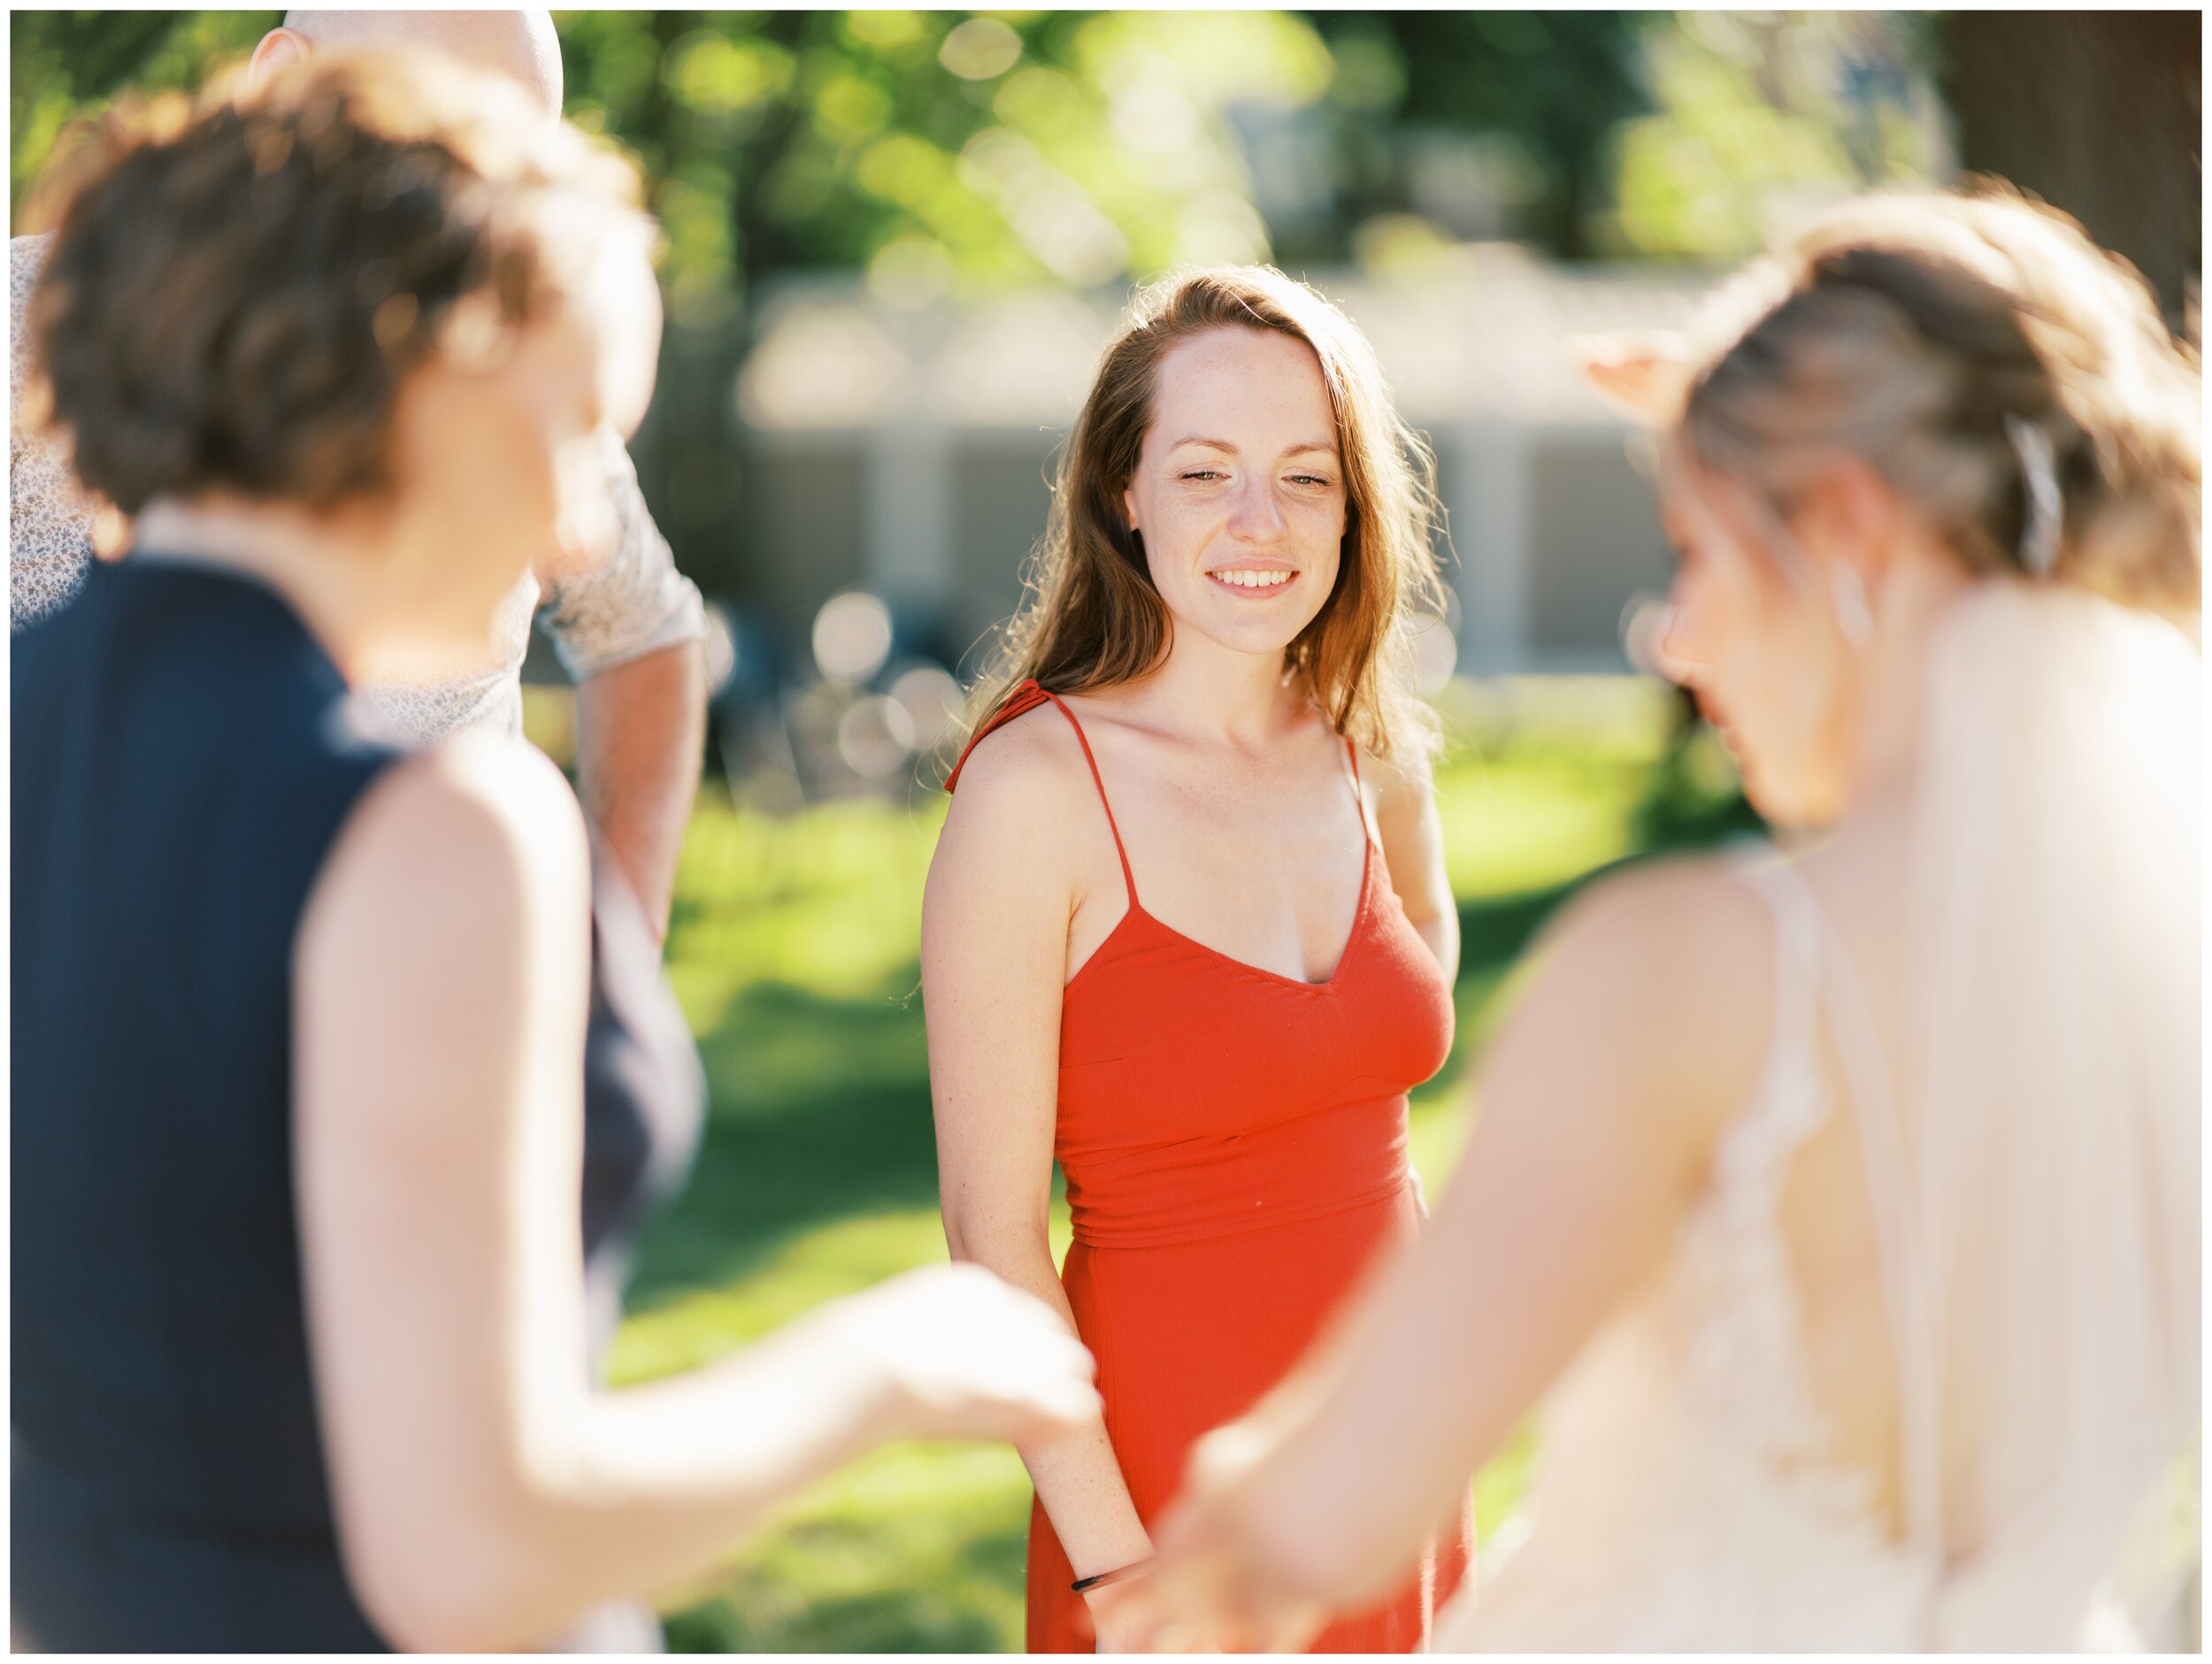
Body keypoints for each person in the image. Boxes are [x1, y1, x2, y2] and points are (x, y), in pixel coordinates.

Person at [12, 53, 1098, 1653]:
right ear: (430, 374)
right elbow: (475, 1554)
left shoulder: (40, 722)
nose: (584, 527)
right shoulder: (434, 820)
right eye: (584, 426)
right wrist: (891, 1365)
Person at [1118, 186, 2201, 1652]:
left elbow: (1321, 1518)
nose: (1679, 638)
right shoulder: (2158, 972)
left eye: (1696, 548)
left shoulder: (1689, 979)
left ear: (1853, 528)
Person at [924, 266, 1475, 1652]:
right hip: (1168, 1503)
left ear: (1357, 505)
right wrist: (1119, 1574)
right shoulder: (1033, 791)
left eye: (1305, 476)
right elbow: (993, 1240)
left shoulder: (1371, 744)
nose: (1258, 522)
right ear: (1124, 489)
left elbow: (1389, 1070)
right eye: (1206, 470)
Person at [8, 7, 706, 937]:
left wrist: (615, 953)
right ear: (281, 81)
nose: (479, 215)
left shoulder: (510, 378)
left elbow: (645, 631)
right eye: (443, 145)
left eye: (515, 154)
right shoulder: (32, 332)